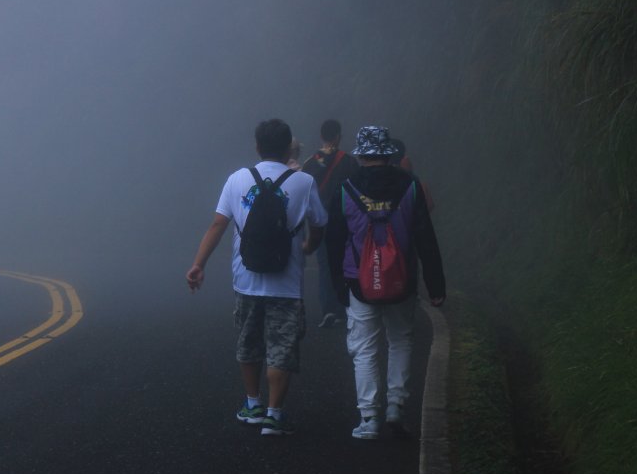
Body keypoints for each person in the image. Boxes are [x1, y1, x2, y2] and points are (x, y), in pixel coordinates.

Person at [187, 119, 327, 436]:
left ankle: (252, 404)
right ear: (289, 147)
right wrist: (307, 247)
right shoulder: (303, 182)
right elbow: (318, 225)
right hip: (287, 283)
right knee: (281, 347)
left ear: (257, 146)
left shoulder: (238, 179)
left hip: (245, 279)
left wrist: (199, 264)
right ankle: (274, 415)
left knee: (249, 342)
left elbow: (218, 226)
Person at [325, 125, 446, 440]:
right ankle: (396, 406)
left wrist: (338, 282)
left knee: (364, 348)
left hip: (358, 282)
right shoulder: (410, 185)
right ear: (388, 153)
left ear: (361, 155)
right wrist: (436, 285)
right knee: (401, 340)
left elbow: (334, 240)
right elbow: (425, 238)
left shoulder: (344, 187)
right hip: (401, 279)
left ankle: (369, 419)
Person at [301, 119, 360, 328]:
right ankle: (349, 307)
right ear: (338, 136)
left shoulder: (310, 162)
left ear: (322, 136)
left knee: (325, 264)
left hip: (320, 221)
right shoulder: (350, 162)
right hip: (346, 221)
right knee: (348, 262)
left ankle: (329, 309)